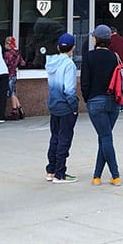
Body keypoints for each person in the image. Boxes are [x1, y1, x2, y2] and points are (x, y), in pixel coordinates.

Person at [80, 24, 122, 186]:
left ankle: (115, 175)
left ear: (96, 39)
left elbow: (85, 82)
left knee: (105, 138)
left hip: (96, 102)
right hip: (113, 102)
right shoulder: (114, 57)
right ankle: (97, 176)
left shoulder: (89, 57)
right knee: (104, 138)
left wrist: (87, 99)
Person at [45, 33, 79, 183]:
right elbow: (69, 90)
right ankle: (60, 173)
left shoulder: (51, 63)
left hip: (53, 105)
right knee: (64, 139)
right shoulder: (69, 65)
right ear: (73, 48)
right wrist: (74, 106)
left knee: (55, 138)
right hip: (65, 107)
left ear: (58, 47)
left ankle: (51, 170)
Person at [3, 36, 26, 120]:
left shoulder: (7, 54)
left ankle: (14, 111)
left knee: (11, 93)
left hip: (9, 74)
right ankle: (20, 109)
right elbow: (23, 63)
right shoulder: (17, 53)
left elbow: (6, 63)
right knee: (14, 92)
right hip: (14, 74)